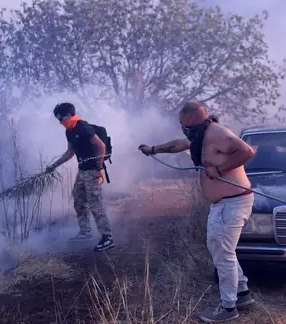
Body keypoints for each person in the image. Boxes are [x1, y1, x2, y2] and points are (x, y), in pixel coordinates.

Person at [138, 100, 256, 323]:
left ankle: (228, 308)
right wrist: (153, 149)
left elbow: (246, 151)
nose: (181, 126)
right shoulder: (201, 136)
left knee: (223, 254)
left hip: (233, 202)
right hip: (223, 204)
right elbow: (178, 145)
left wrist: (219, 169)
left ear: (189, 119)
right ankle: (242, 293)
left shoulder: (216, 133)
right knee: (219, 248)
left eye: (182, 122)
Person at [45, 102, 114, 251]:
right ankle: (85, 232)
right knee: (78, 199)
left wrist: (99, 167)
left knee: (95, 204)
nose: (60, 122)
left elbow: (101, 146)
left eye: (62, 118)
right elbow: (70, 153)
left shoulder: (82, 127)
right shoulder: (69, 132)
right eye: (58, 119)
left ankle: (107, 237)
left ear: (70, 115)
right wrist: (53, 166)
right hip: (82, 171)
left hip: (93, 171)